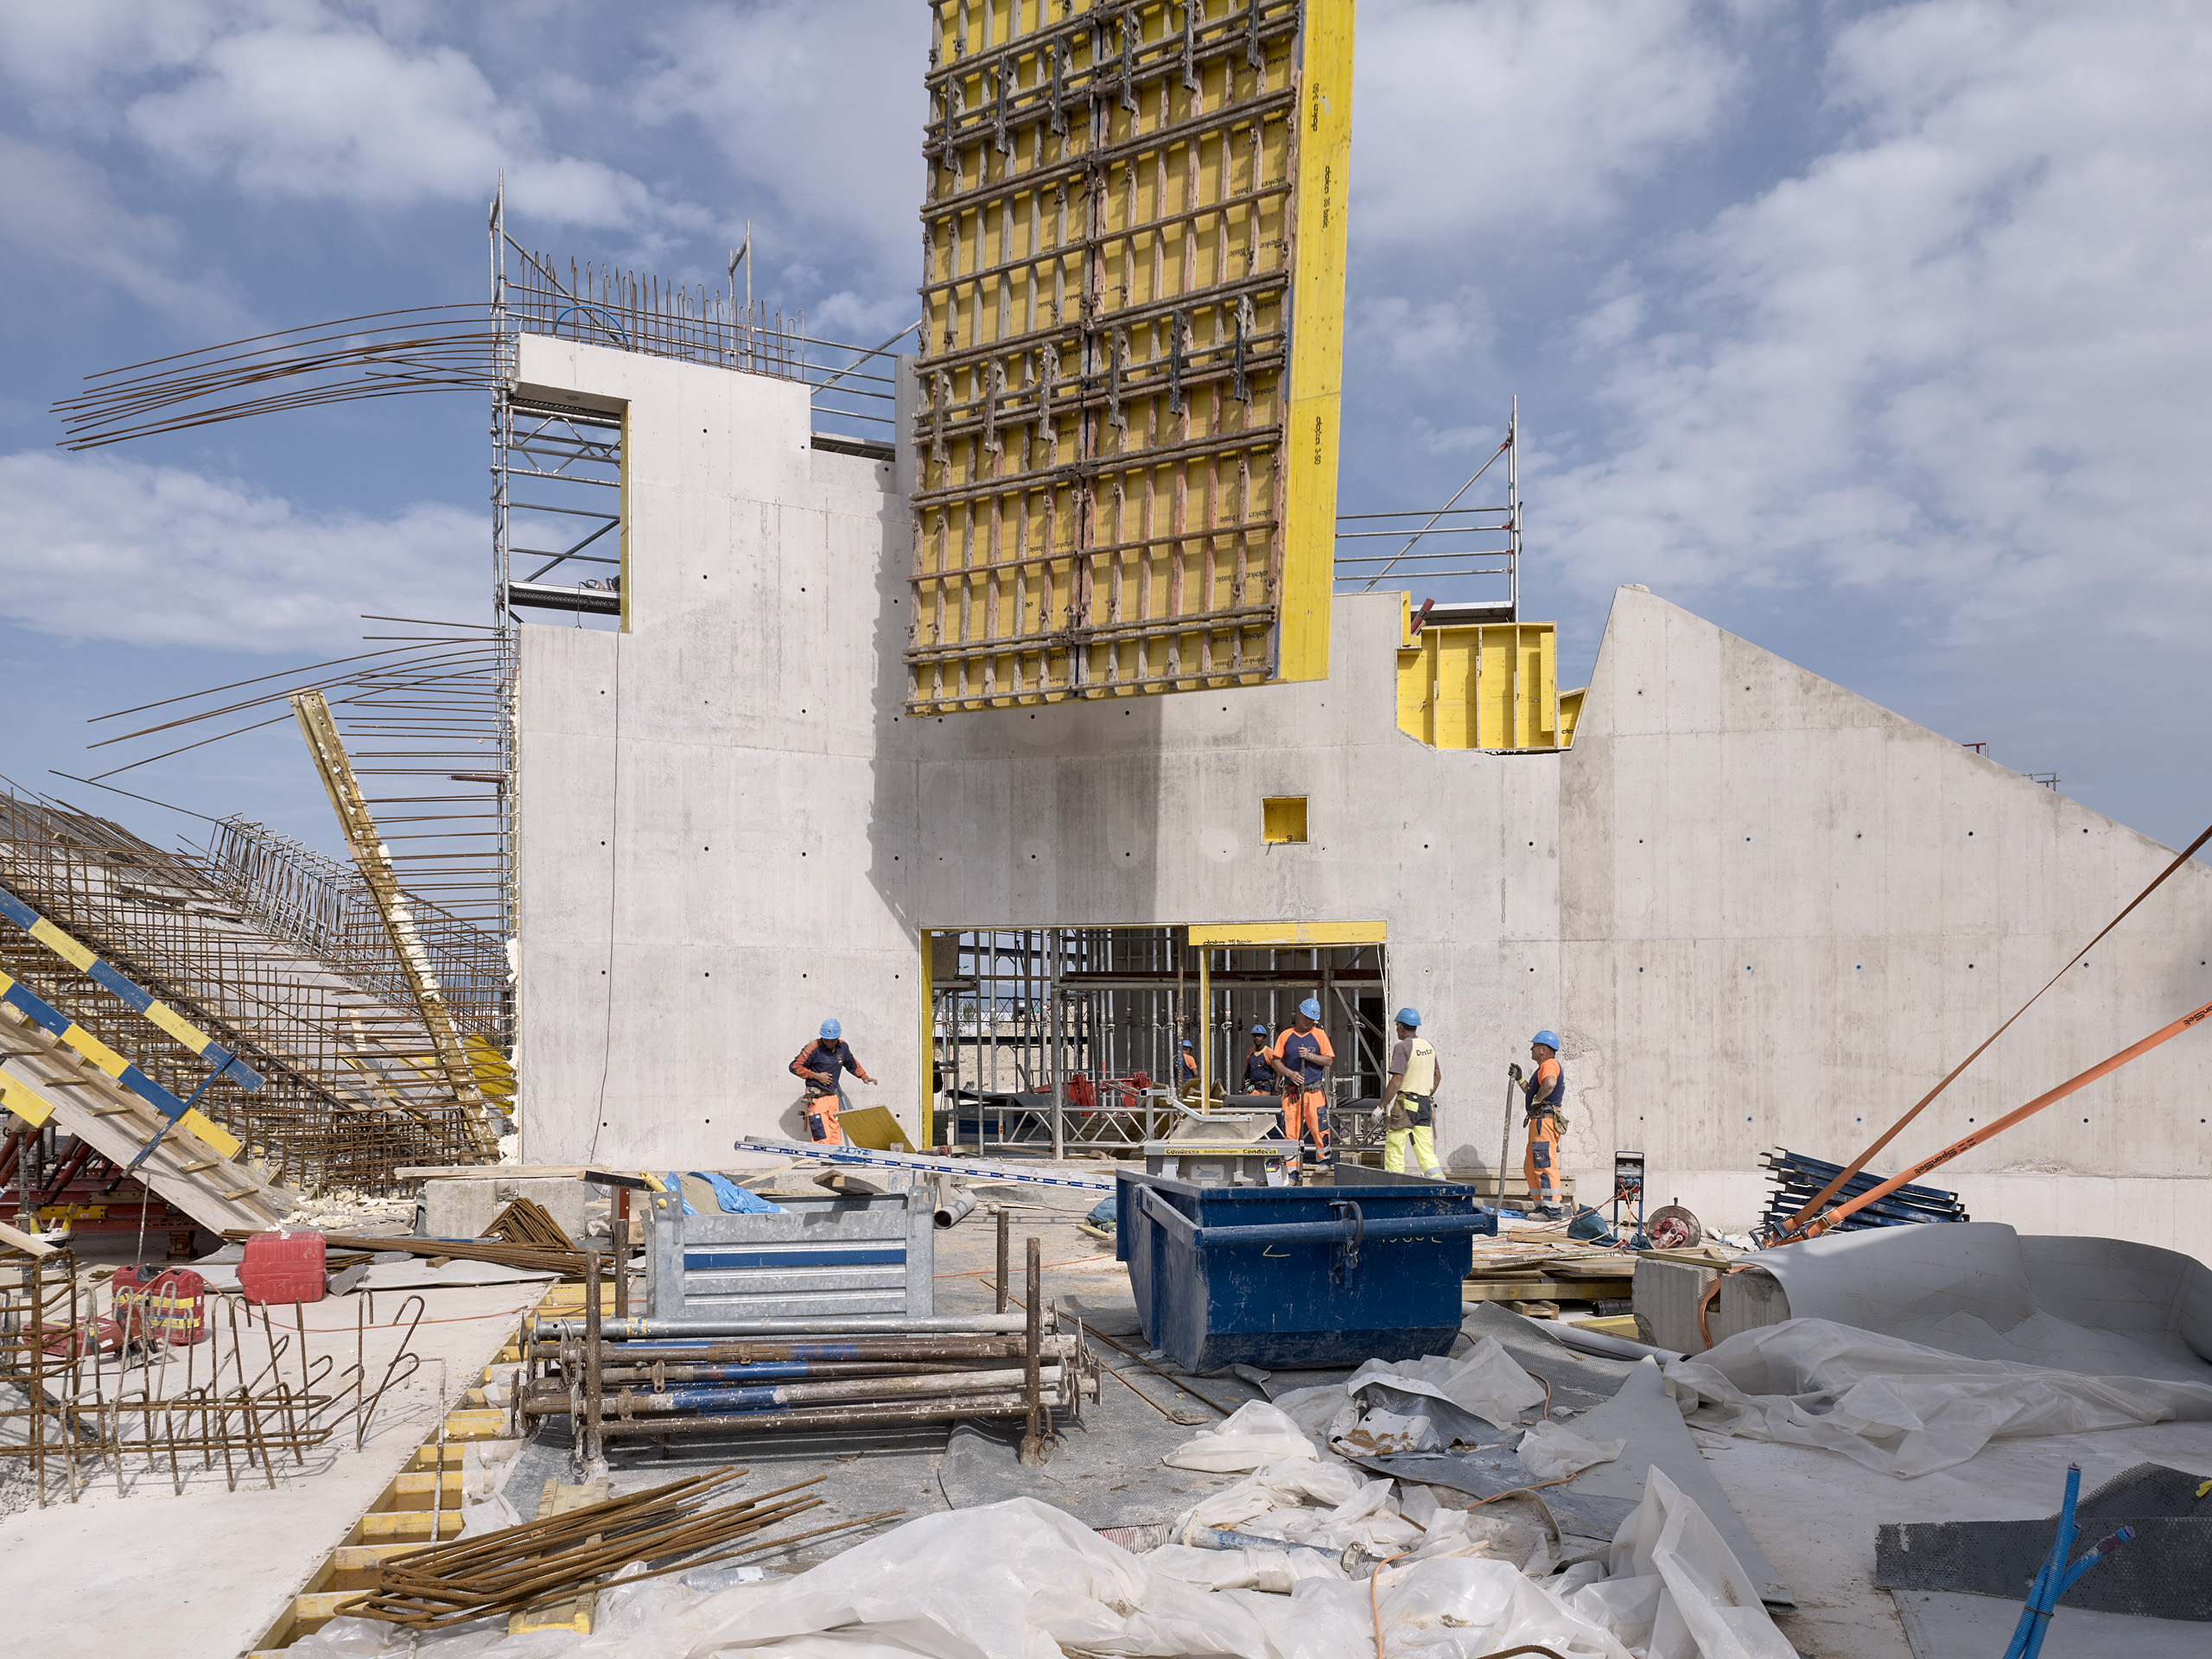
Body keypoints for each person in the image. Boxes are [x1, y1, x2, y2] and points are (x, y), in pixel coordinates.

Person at [1268, 998, 1334, 1169]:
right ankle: (1292, 1171)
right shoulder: (1286, 1036)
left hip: (1314, 1090)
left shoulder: (1319, 1035)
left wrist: (1310, 1056)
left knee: (1320, 1127)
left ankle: (1324, 1161)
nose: (1308, 1022)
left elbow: (1328, 1060)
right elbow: (1275, 1061)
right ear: (1298, 1013)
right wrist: (1290, 1073)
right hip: (1292, 1092)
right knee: (1290, 1131)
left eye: (1311, 1019)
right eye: (1305, 1017)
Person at [1376, 1007, 1443, 1176]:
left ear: (1401, 1026)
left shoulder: (1402, 1047)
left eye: (1397, 1025)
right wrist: (1426, 1093)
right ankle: (1439, 1182)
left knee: (1394, 1145)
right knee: (1425, 1150)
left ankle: (1393, 1187)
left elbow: (1397, 1080)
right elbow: (1437, 1076)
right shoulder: (1428, 1046)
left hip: (1406, 1103)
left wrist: (1381, 1106)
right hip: (1424, 1105)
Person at [789, 1018, 876, 1145]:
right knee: (821, 1135)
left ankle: (833, 1161)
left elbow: (851, 1063)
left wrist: (863, 1076)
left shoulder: (843, 1047)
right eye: (826, 1040)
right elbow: (794, 1067)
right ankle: (824, 1158)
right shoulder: (813, 1048)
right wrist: (816, 1076)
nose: (829, 1043)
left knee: (835, 1133)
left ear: (838, 1037)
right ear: (822, 1037)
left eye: (833, 1041)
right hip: (816, 1098)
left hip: (832, 1097)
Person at [1514, 1029, 1567, 1219]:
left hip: (1544, 1121)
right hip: (1539, 1121)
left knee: (1544, 1164)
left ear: (1543, 1049)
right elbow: (1531, 1091)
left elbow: (1550, 1084)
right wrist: (1520, 1079)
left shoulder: (1549, 1064)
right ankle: (1541, 1206)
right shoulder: (1542, 1067)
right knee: (1531, 1165)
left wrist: (1537, 1099)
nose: (1531, 1049)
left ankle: (1552, 1210)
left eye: (1534, 1046)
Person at [1241, 1024, 1277, 1093]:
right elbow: (1247, 1073)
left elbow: (1277, 1072)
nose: (1256, 1038)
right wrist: (1241, 1089)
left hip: (1265, 1088)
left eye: (1259, 1036)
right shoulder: (1250, 1052)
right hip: (1253, 1088)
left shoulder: (1269, 1052)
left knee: (1263, 1104)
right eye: (1255, 1036)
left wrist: (1275, 1089)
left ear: (1264, 1037)